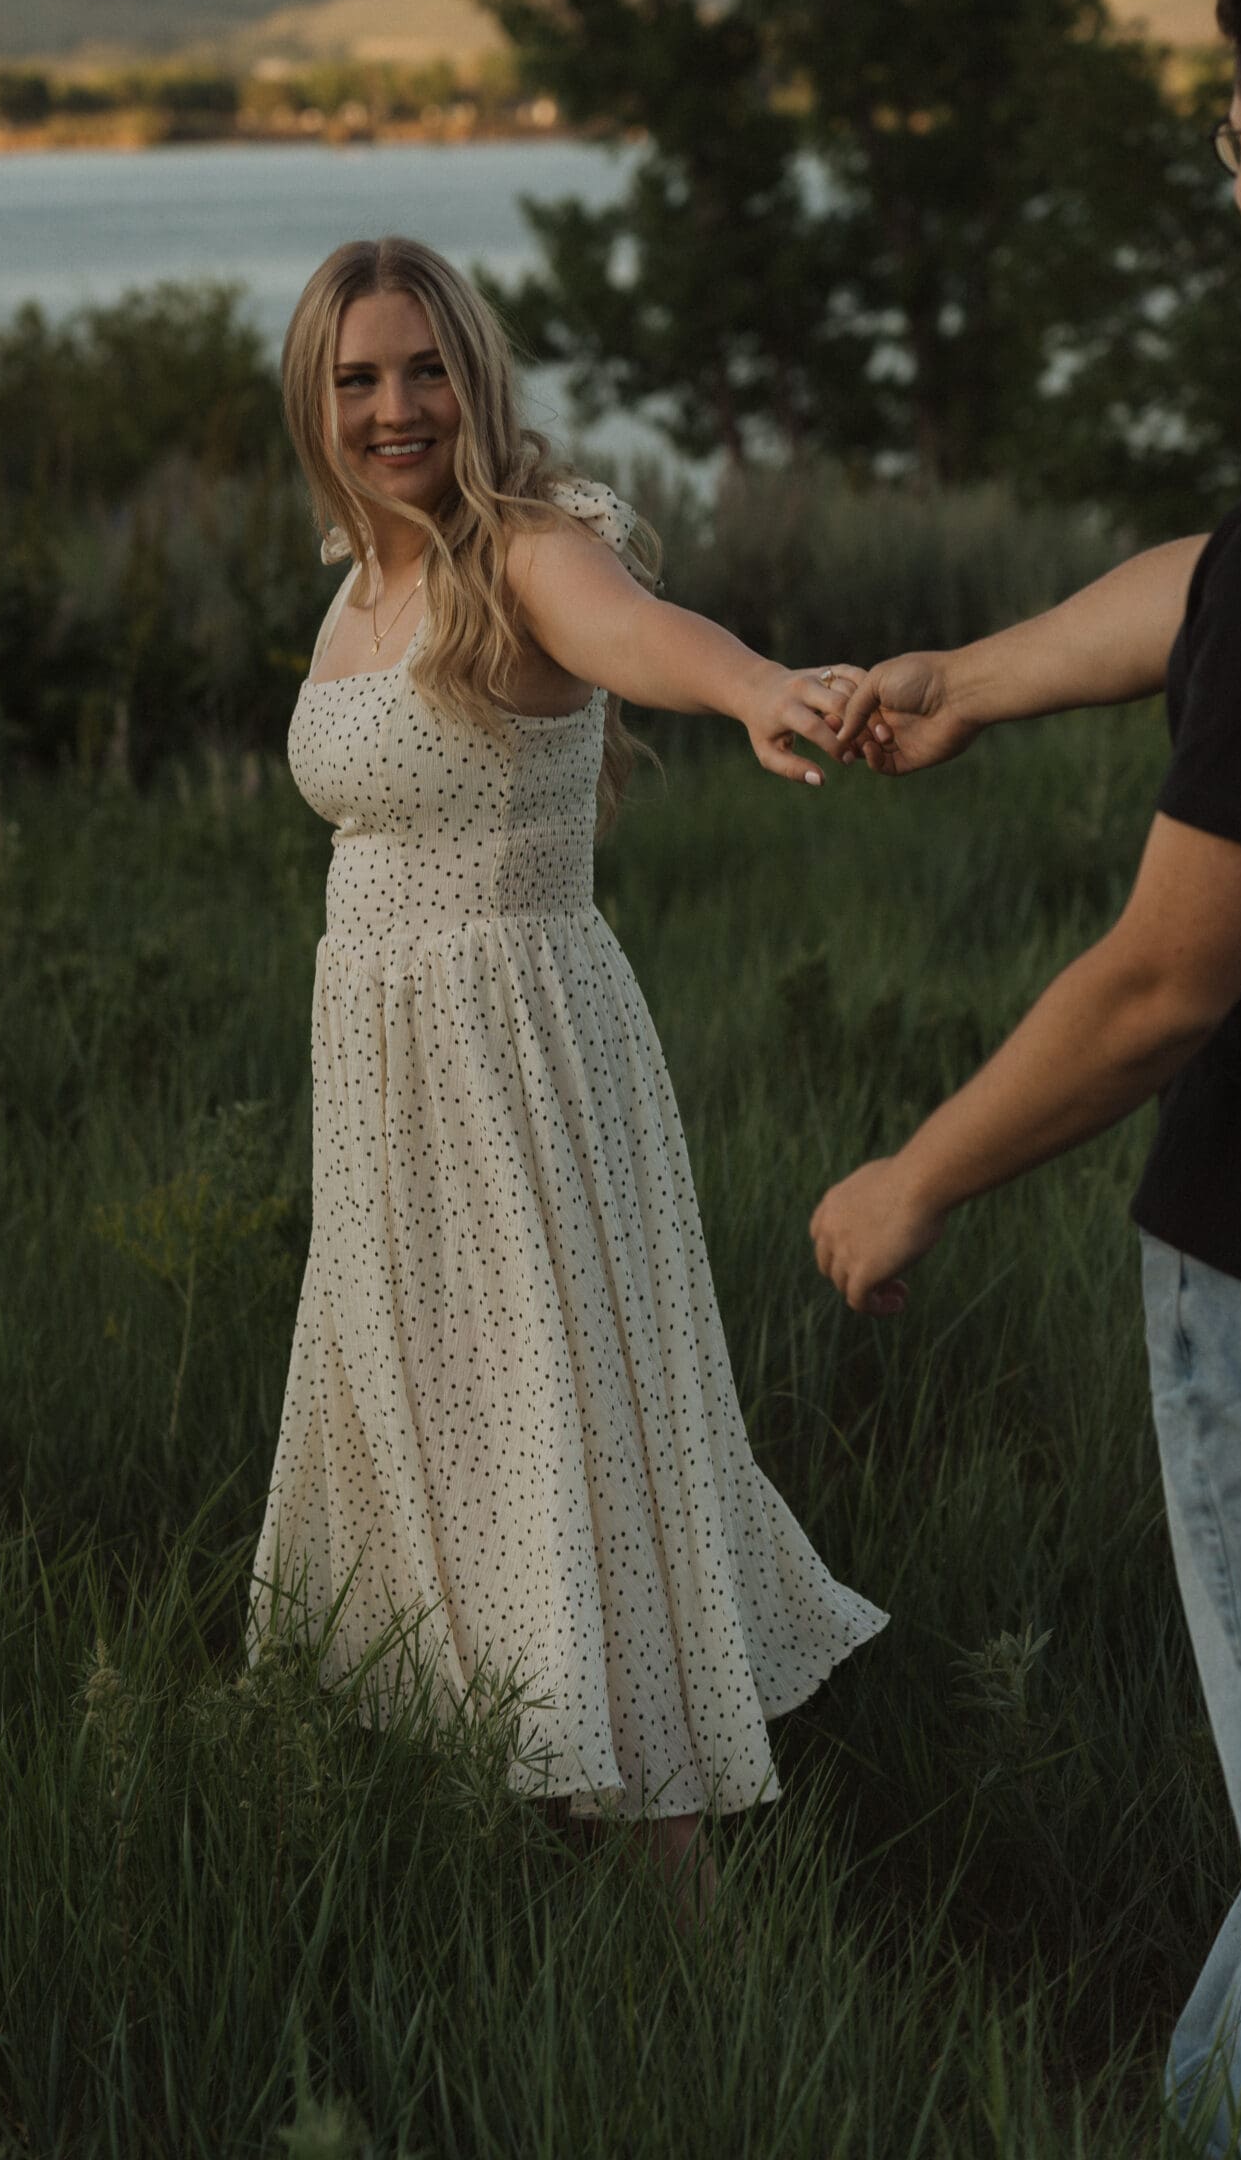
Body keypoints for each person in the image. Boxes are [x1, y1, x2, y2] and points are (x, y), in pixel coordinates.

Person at [811, 0, 1241, 2150]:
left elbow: (1160, 981)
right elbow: (1230, 580)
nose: (1233, 181)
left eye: (1236, 143)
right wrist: (965, 674)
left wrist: (909, 1172)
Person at [251, 234, 885, 1912]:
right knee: (434, 1433)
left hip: (519, 1066)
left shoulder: (528, 549)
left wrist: (758, 687)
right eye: (360, 379)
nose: (399, 409)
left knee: (566, 1433)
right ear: (318, 403)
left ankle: (674, 1904)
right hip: (390, 1090)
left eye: (426, 368)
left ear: (476, 371)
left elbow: (649, 635)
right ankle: (486, 1803)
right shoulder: (361, 570)